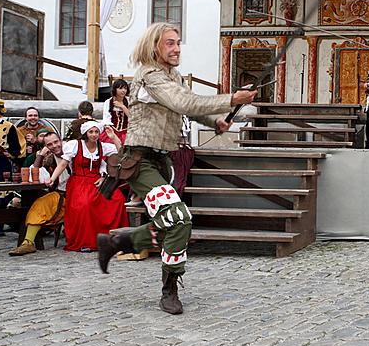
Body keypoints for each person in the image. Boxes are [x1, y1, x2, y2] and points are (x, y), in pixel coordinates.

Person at [96, 22, 256, 315]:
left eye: (178, 42)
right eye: (169, 43)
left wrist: (216, 122)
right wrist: (231, 99)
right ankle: (169, 289)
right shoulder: (150, 76)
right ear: (154, 46)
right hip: (140, 162)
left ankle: (118, 241)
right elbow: (184, 100)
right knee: (180, 219)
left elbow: (183, 108)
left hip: (162, 160)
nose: (176, 48)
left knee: (170, 222)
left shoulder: (173, 75)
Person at [47, 121, 127, 252]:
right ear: (85, 133)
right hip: (79, 181)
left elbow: (120, 152)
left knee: (118, 199)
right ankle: (87, 241)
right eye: (91, 132)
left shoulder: (102, 146)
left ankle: (112, 239)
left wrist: (113, 137)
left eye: (96, 132)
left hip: (97, 180)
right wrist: (52, 178)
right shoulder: (75, 145)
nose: (94, 135)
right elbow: (62, 164)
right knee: (85, 204)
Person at [8, 132, 69, 256]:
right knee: (40, 204)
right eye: (50, 144)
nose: (54, 146)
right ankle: (28, 242)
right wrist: (41, 155)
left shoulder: (75, 153)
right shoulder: (49, 160)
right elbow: (31, 175)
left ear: (61, 140)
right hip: (61, 195)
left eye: (56, 142)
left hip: (80, 192)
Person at [102, 79, 130, 145]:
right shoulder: (108, 102)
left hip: (127, 132)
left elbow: (132, 117)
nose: (123, 90)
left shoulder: (129, 101)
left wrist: (122, 107)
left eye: (125, 88)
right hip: (112, 130)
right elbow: (106, 119)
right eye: (120, 88)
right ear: (115, 89)